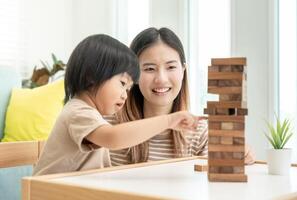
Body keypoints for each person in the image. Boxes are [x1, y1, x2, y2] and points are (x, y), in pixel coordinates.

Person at [33, 34, 200, 176]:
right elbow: (112, 137)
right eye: (122, 83)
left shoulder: (91, 115)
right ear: (92, 77)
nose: (125, 95)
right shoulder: (77, 112)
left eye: (128, 88)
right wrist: (168, 121)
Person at [110, 27, 255, 165]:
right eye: (149, 69)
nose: (161, 79)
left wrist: (239, 155)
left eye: (171, 67)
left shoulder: (199, 133)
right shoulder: (106, 127)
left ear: (183, 70)